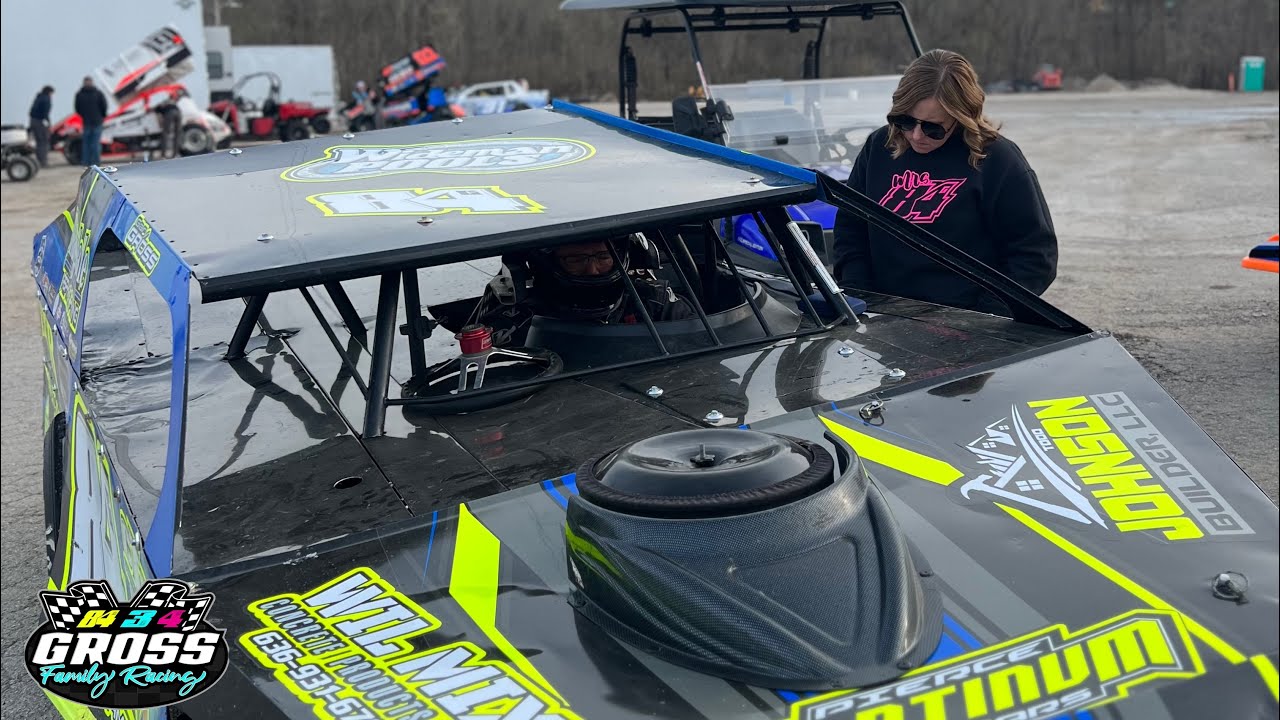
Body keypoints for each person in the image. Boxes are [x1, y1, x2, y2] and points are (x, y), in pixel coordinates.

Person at [831, 49, 1057, 314]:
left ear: (962, 117)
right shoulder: (880, 146)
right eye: (904, 121)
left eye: (933, 128)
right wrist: (861, 296)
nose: (915, 135)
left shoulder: (996, 160)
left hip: (966, 322)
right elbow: (851, 229)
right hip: (884, 313)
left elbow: (1035, 255)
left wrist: (986, 314)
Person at [73, 76, 108, 167]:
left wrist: (84, 116)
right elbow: (104, 106)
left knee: (87, 144)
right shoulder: (98, 93)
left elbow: (77, 109)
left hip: (87, 122)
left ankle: (86, 163)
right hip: (96, 121)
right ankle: (96, 163)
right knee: (95, 144)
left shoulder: (79, 94)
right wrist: (102, 116)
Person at [27, 85, 54, 168]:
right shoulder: (46, 99)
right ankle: (43, 161)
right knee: (44, 141)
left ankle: (39, 160)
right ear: (50, 92)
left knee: (39, 142)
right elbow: (45, 113)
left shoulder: (38, 97)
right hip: (40, 122)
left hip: (33, 121)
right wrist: (49, 124)